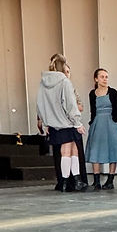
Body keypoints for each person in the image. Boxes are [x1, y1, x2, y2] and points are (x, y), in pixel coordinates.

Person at [36, 54, 86, 192]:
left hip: (53, 124)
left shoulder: (43, 83)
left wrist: (45, 121)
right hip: (66, 122)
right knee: (67, 151)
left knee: (72, 150)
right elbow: (70, 105)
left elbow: (40, 104)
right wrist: (77, 123)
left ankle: (72, 181)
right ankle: (70, 181)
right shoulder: (65, 82)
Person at [85, 67, 117, 190]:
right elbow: (93, 111)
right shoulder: (92, 93)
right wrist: (92, 124)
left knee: (113, 149)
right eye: (102, 77)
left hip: (111, 123)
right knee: (96, 149)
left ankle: (110, 180)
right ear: (96, 79)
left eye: (106, 77)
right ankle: (96, 181)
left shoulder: (113, 92)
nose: (105, 79)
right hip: (98, 123)